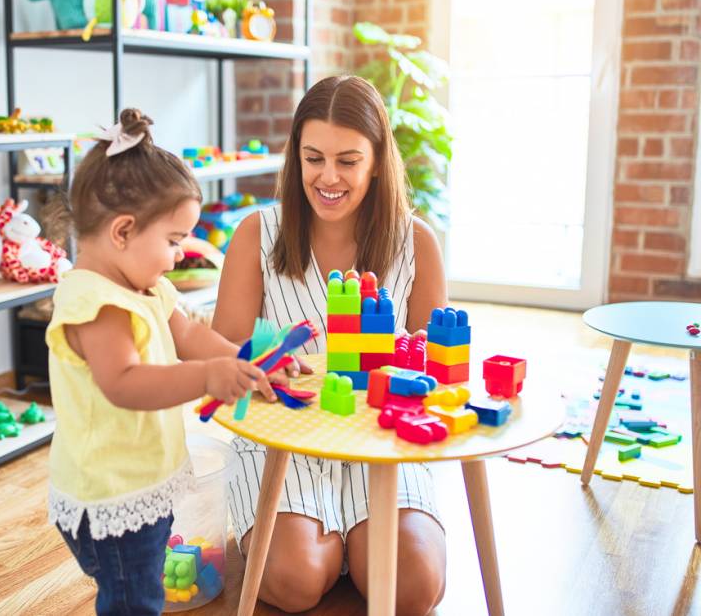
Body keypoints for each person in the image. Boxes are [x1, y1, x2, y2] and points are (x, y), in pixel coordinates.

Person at [212, 75, 448, 615]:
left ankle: (355, 548)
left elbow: (435, 365)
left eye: (348, 160)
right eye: (313, 158)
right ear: (296, 156)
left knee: (411, 587)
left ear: (377, 160)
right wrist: (265, 361)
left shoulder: (417, 243)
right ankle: (329, 549)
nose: (328, 177)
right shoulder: (258, 234)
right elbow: (222, 348)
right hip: (282, 442)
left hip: (383, 444)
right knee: (296, 582)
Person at [45, 108, 277, 615]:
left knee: (142, 586)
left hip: (141, 480)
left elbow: (191, 334)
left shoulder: (145, 285)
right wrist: (207, 377)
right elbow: (123, 383)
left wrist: (251, 362)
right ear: (123, 232)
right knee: (135, 600)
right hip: (108, 493)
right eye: (173, 241)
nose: (178, 256)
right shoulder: (96, 302)